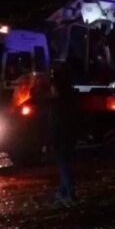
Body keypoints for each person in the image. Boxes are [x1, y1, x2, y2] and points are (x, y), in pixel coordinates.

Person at [47, 69, 76, 203]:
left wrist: (51, 140)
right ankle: (63, 191)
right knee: (65, 166)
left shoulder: (56, 105)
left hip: (60, 139)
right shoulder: (69, 101)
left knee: (64, 166)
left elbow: (55, 124)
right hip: (69, 137)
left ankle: (68, 192)